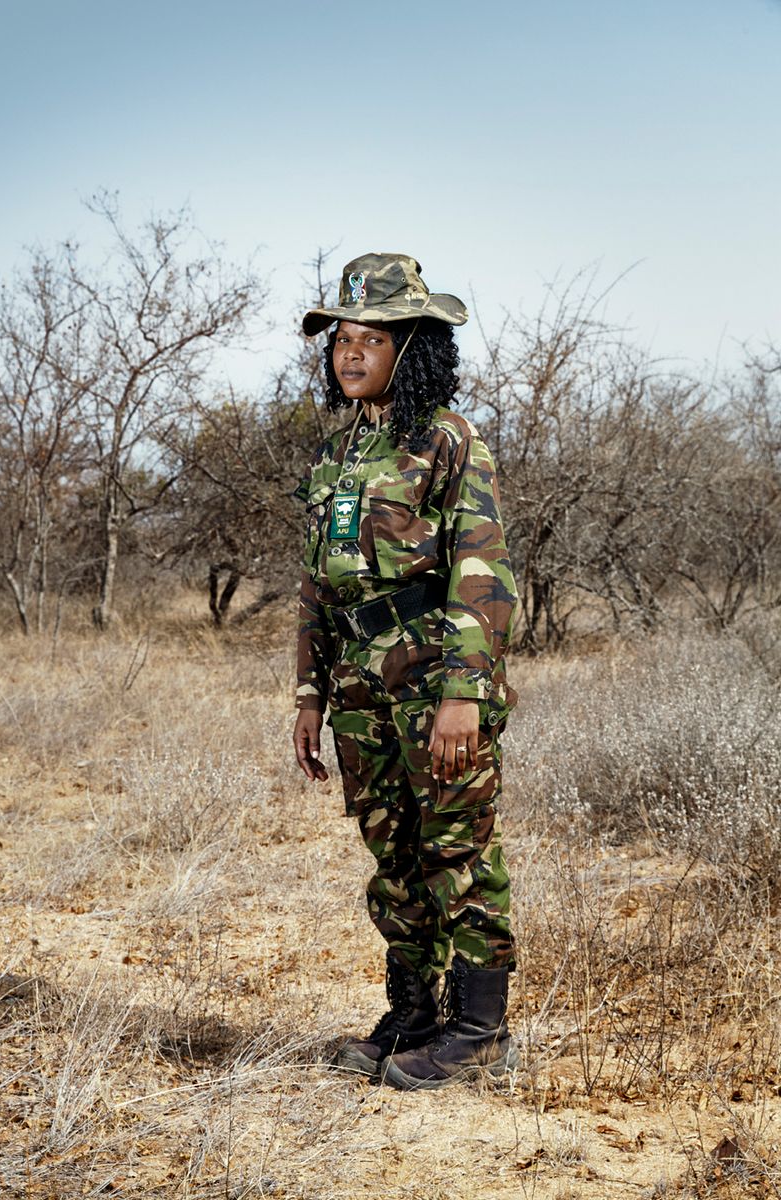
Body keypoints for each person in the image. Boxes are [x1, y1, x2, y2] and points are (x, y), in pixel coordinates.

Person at [292, 252, 519, 1091]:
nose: (350, 355)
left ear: (412, 348)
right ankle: (414, 1014)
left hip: (433, 683)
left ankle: (478, 1030)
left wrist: (465, 694)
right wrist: (311, 693)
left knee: (455, 850)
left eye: (370, 340)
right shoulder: (336, 454)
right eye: (341, 339)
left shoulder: (449, 440)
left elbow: (484, 573)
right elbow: (318, 584)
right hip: (357, 689)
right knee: (393, 855)